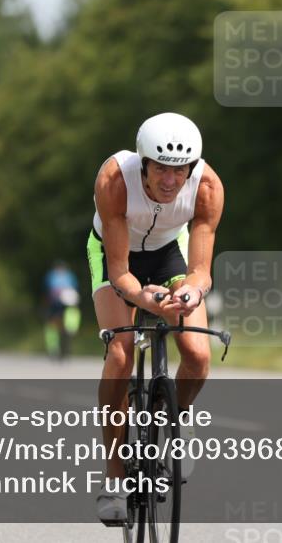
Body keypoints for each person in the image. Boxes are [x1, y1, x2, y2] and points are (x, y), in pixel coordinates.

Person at [90, 113, 224, 523]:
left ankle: (174, 420)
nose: (170, 181)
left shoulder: (206, 188)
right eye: (162, 169)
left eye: (179, 170)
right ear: (144, 163)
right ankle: (114, 475)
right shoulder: (114, 180)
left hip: (171, 255)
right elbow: (119, 273)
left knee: (198, 355)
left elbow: (201, 270)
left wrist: (191, 291)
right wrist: (146, 300)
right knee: (119, 354)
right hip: (116, 257)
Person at [43, 261, 79, 359]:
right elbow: (49, 289)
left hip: (66, 304)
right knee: (54, 324)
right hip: (55, 304)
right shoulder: (52, 275)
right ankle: (55, 348)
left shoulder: (69, 276)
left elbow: (74, 289)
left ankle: (68, 334)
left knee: (65, 326)